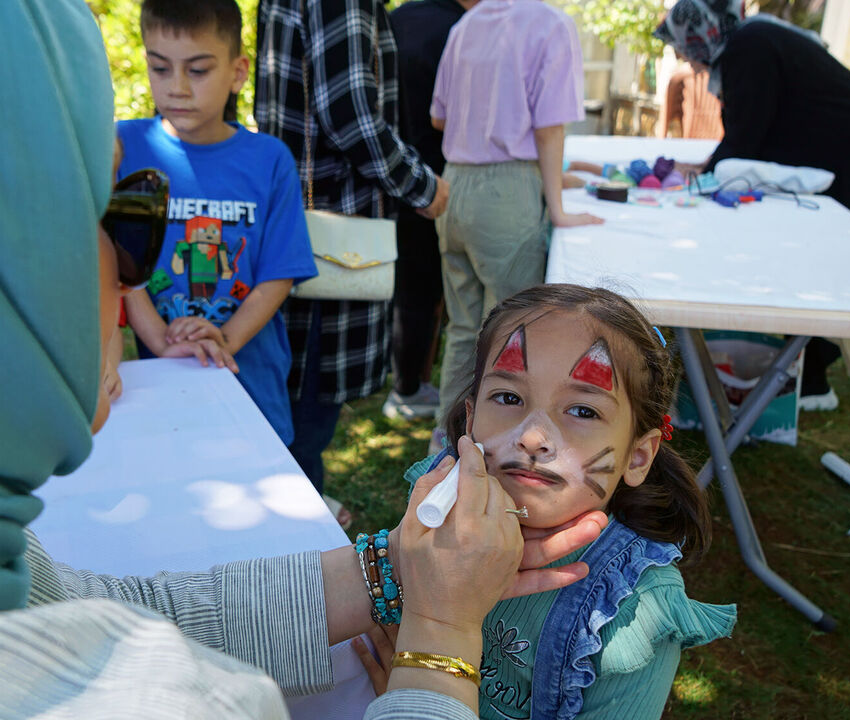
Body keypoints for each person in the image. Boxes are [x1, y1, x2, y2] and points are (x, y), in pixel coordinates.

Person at [0, 2, 609, 718]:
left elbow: (111, 612)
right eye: (114, 210)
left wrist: (389, 570)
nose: (125, 268)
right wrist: (440, 638)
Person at [361, 285, 737, 718]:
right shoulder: (436, 506)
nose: (532, 437)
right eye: (508, 398)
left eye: (582, 411)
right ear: (471, 418)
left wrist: (419, 689)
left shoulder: (634, 614)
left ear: (637, 457)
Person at [654, 0, 850, 410]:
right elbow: (751, 133)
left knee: (845, 263)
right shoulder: (751, 38)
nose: (691, 61)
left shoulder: (750, 48)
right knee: (830, 259)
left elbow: (748, 134)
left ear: (702, 31)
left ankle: (817, 379)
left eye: (687, 47)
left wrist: (708, 171)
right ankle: (809, 372)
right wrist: (711, 166)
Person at [254, 0, 450, 492]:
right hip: (331, 235)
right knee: (304, 417)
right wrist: (423, 187)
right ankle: (298, 538)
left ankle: (297, 512)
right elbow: (350, 117)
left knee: (291, 405)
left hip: (298, 223)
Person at [117, 0, 318, 447]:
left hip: (250, 377)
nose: (177, 88)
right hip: (161, 378)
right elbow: (116, 265)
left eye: (198, 70)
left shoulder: (269, 160)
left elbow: (279, 273)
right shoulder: (122, 149)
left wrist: (223, 337)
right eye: (160, 68)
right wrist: (162, 342)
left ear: (238, 71)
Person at [428, 0, 604, 447]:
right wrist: (558, 206)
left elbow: (439, 117)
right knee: (513, 338)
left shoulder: (467, 24)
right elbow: (549, 129)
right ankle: (491, 452)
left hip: (455, 184)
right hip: (507, 194)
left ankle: (446, 447)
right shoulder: (551, 24)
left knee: (466, 328)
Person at [382, 0, 479, 421]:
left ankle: (405, 381)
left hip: (389, 167)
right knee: (426, 290)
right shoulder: (465, 28)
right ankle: (407, 388)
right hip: (438, 176)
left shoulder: (396, 17)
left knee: (406, 285)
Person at [657, 61, 723, 140]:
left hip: (692, 142)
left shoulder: (680, 75)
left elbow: (664, 121)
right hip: (723, 144)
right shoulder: (680, 77)